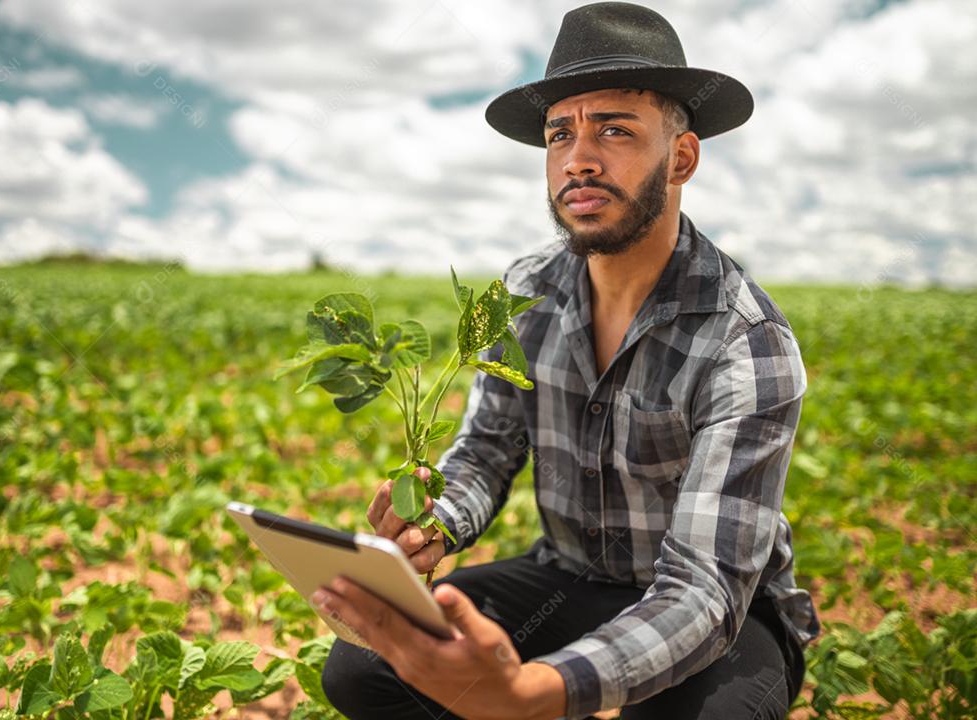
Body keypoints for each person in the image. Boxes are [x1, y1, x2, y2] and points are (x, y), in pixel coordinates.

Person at [315, 3, 819, 718]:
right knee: (365, 668)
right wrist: (437, 522)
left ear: (681, 158)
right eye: (560, 134)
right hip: (566, 580)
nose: (579, 157)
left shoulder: (745, 340)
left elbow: (705, 589)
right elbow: (485, 452)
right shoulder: (523, 294)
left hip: (721, 617)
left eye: (615, 129)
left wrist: (533, 692)